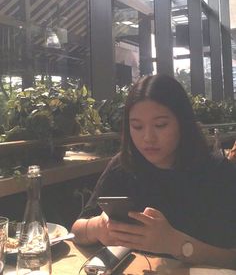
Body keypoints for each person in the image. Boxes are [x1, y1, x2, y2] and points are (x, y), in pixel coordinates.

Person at [71, 74, 236, 269]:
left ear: (182, 123)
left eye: (160, 125)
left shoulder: (218, 173)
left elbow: (231, 258)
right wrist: (98, 228)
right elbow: (76, 229)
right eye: (137, 126)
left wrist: (175, 243)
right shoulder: (123, 167)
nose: (148, 137)